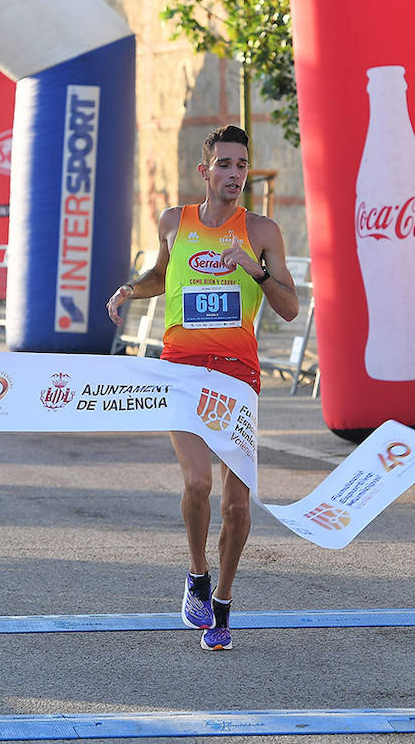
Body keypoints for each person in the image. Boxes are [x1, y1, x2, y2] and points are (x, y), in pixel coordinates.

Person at [106, 125, 298, 651]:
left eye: (242, 165)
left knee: (238, 505)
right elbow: (161, 276)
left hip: (237, 375)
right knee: (198, 484)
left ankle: (224, 603)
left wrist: (254, 271)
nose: (235, 174)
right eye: (226, 165)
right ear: (205, 171)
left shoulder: (261, 231)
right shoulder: (176, 222)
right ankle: (197, 575)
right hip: (181, 371)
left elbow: (289, 307)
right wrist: (131, 289)